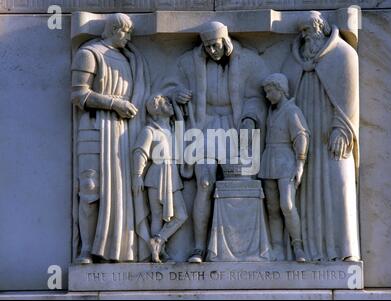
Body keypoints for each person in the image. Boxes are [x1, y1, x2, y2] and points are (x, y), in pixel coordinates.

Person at [164, 21, 268, 263]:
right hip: (204, 128)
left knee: (239, 183)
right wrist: (175, 94)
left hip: (235, 127)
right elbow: (166, 86)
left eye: (216, 45)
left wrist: (251, 117)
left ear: (226, 42)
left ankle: (240, 248)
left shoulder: (248, 61)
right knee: (205, 182)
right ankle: (198, 247)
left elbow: (260, 95)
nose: (212, 50)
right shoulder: (190, 62)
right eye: (208, 46)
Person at [282, 11, 360, 261]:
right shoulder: (294, 61)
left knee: (339, 183)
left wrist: (341, 128)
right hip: (303, 133)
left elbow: (350, 100)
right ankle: (311, 250)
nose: (305, 37)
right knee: (306, 191)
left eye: (309, 31)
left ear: (321, 28)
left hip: (331, 132)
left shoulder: (343, 55)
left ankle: (345, 251)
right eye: (302, 33)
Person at [71, 13, 150, 263]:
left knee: (118, 191)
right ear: (114, 29)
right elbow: (78, 95)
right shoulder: (90, 53)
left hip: (121, 132)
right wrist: (114, 104)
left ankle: (116, 248)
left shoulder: (128, 59)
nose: (128, 37)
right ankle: (86, 249)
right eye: (125, 32)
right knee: (90, 188)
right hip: (93, 128)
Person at [259, 73, 310, 262]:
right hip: (269, 160)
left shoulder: (291, 111)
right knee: (272, 207)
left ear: (280, 89)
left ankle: (297, 245)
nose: (267, 96)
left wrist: (300, 164)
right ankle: (277, 247)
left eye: (269, 91)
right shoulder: (271, 111)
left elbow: (301, 136)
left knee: (287, 205)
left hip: (286, 160)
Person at [132, 95, 188, 263]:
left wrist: (178, 106)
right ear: (156, 109)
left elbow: (181, 122)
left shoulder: (170, 130)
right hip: (156, 175)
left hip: (172, 174)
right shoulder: (149, 131)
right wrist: (137, 175)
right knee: (157, 215)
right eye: (166, 102)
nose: (170, 104)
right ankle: (158, 252)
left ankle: (158, 240)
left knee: (181, 215)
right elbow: (140, 152)